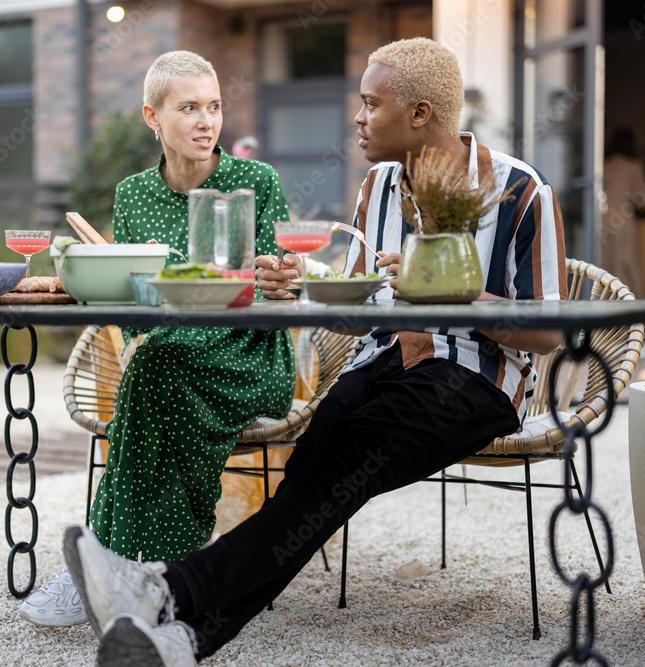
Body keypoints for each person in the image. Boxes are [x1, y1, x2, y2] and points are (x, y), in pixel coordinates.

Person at [62, 37, 567, 666]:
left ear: (419, 115)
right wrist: (299, 282)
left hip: (474, 378)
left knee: (337, 463)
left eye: (369, 104)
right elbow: (354, 316)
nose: (356, 117)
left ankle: (165, 589)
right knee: (310, 478)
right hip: (378, 363)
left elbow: (550, 332)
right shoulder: (377, 188)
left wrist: (456, 294)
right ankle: (183, 639)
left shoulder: (521, 190)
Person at [18, 50, 296, 627]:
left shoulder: (255, 181)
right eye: (189, 107)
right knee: (157, 369)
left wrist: (279, 278)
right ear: (152, 116)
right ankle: (161, 569)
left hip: (249, 356)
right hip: (168, 354)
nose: (206, 121)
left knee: (151, 373)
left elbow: (278, 291)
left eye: (214, 107)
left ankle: (103, 563)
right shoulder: (133, 195)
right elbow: (135, 305)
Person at [601, 127, 645, 298]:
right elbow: (644, 200)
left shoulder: (602, 166)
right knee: (626, 265)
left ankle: (603, 314)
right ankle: (631, 311)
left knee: (605, 266)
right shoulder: (632, 167)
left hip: (602, 219)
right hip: (623, 221)